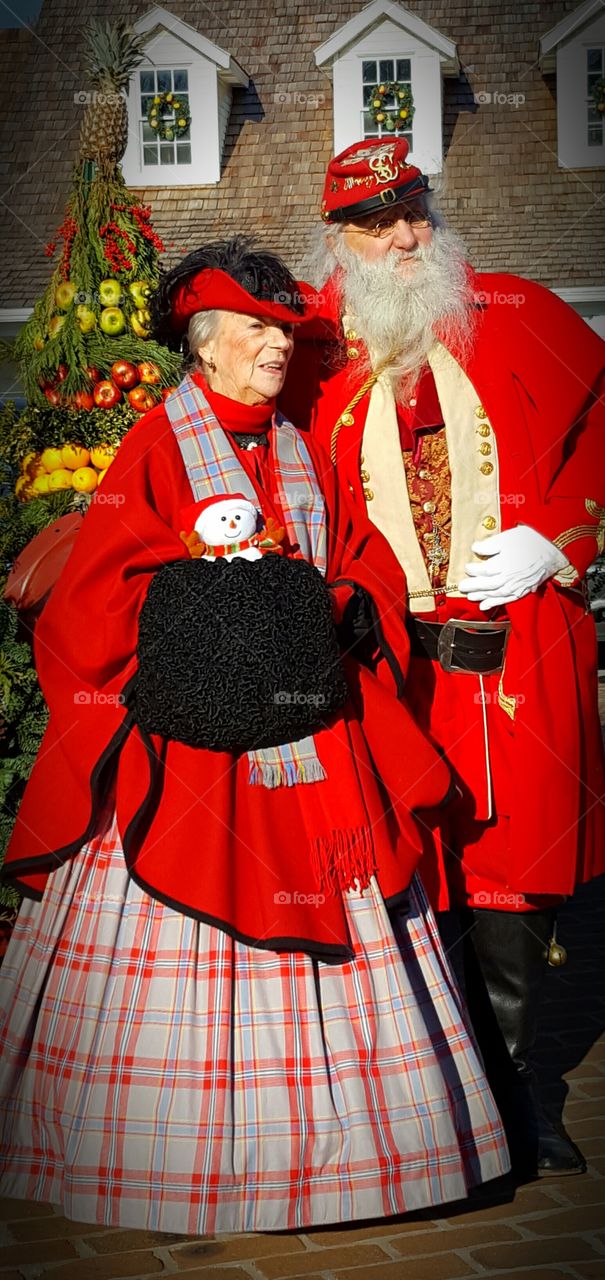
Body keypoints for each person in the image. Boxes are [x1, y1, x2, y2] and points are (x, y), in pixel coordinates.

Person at [0, 237, 508, 1233]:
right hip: (194, 741)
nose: (277, 345)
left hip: (311, 725)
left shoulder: (295, 441)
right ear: (203, 344)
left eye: (283, 329)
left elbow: (356, 545)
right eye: (256, 329)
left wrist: (359, 598)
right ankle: (185, 1166)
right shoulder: (156, 443)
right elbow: (98, 590)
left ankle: (348, 1166)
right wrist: (207, 616)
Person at [284, 137, 605, 1179]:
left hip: (512, 645)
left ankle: (520, 1093)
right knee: (399, 859)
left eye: (414, 209)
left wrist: (561, 535)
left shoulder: (512, 310)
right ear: (340, 235)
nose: (406, 234)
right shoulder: (303, 346)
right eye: (377, 220)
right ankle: (433, 1091)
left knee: (515, 869)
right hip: (382, 659)